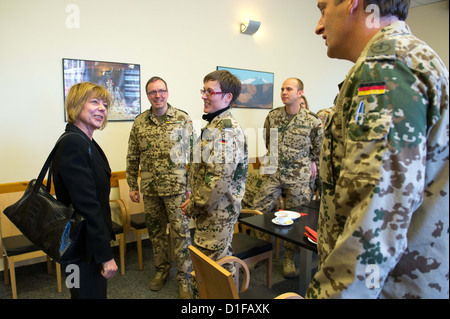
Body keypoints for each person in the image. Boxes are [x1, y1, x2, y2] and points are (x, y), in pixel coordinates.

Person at [307, 0, 449, 298]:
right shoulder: (403, 58)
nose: (319, 26)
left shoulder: (384, 66)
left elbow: (376, 216)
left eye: (322, 8)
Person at [126, 76, 193, 299]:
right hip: (151, 189)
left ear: (167, 92)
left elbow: (193, 156)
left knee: (182, 234)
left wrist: (192, 186)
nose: (158, 95)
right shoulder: (139, 122)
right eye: (153, 92)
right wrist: (131, 184)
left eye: (161, 91)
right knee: (156, 234)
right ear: (147, 96)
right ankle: (162, 270)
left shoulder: (182, 118)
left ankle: (185, 279)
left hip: (177, 189)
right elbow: (133, 154)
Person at [180, 70, 248, 282]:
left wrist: (194, 205)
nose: (204, 95)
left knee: (217, 270)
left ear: (227, 97)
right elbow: (206, 172)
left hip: (217, 212)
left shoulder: (227, 130)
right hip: (209, 209)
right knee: (214, 267)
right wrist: (195, 199)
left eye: (210, 91)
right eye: (204, 90)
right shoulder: (214, 125)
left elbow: (218, 180)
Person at [52, 82, 118, 299]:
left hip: (82, 247)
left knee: (81, 295)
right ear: (76, 105)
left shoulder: (85, 141)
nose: (102, 108)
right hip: (83, 250)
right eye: (95, 102)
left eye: (105, 104)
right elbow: (87, 206)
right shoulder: (74, 143)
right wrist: (105, 256)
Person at [252, 78, 323, 277]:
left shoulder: (312, 120)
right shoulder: (273, 116)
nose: (284, 92)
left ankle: (288, 258)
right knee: (258, 209)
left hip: (299, 176)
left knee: (297, 218)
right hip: (274, 173)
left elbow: (318, 147)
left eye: (289, 89)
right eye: (282, 89)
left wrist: (313, 162)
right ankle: (258, 252)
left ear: (300, 93)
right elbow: (268, 140)